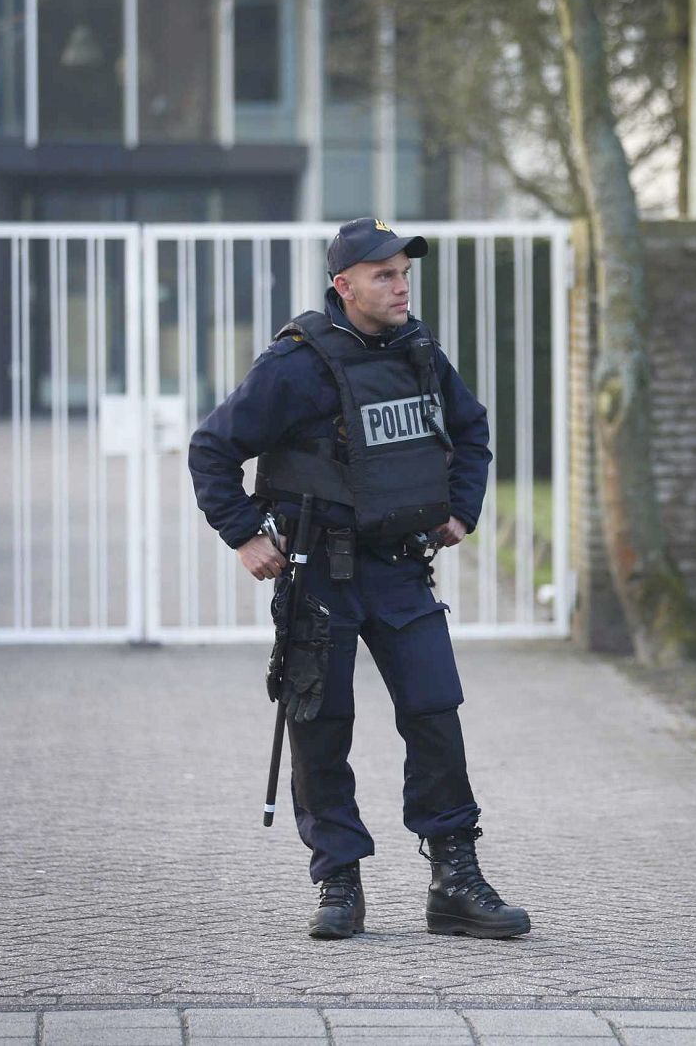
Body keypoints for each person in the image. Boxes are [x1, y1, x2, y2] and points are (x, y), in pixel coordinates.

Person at [188, 217, 531, 941]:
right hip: (321, 573)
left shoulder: (419, 352)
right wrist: (244, 533)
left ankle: (455, 879)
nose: (401, 286)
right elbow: (212, 448)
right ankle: (339, 881)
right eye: (384, 275)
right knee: (322, 727)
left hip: (401, 567)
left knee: (435, 715)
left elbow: (470, 430)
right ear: (344, 285)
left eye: (404, 273)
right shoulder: (295, 364)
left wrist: (460, 509)